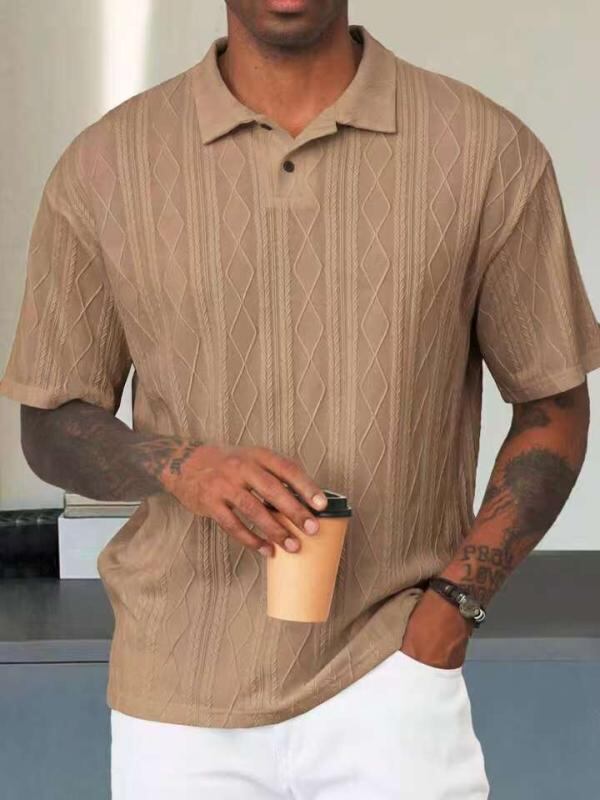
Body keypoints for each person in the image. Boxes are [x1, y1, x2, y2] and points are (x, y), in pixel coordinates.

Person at [2, 1, 600, 797]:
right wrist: (182, 466)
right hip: (177, 692)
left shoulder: (485, 150)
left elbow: (552, 407)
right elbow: (50, 423)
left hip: (393, 679)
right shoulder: (106, 164)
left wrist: (453, 612)